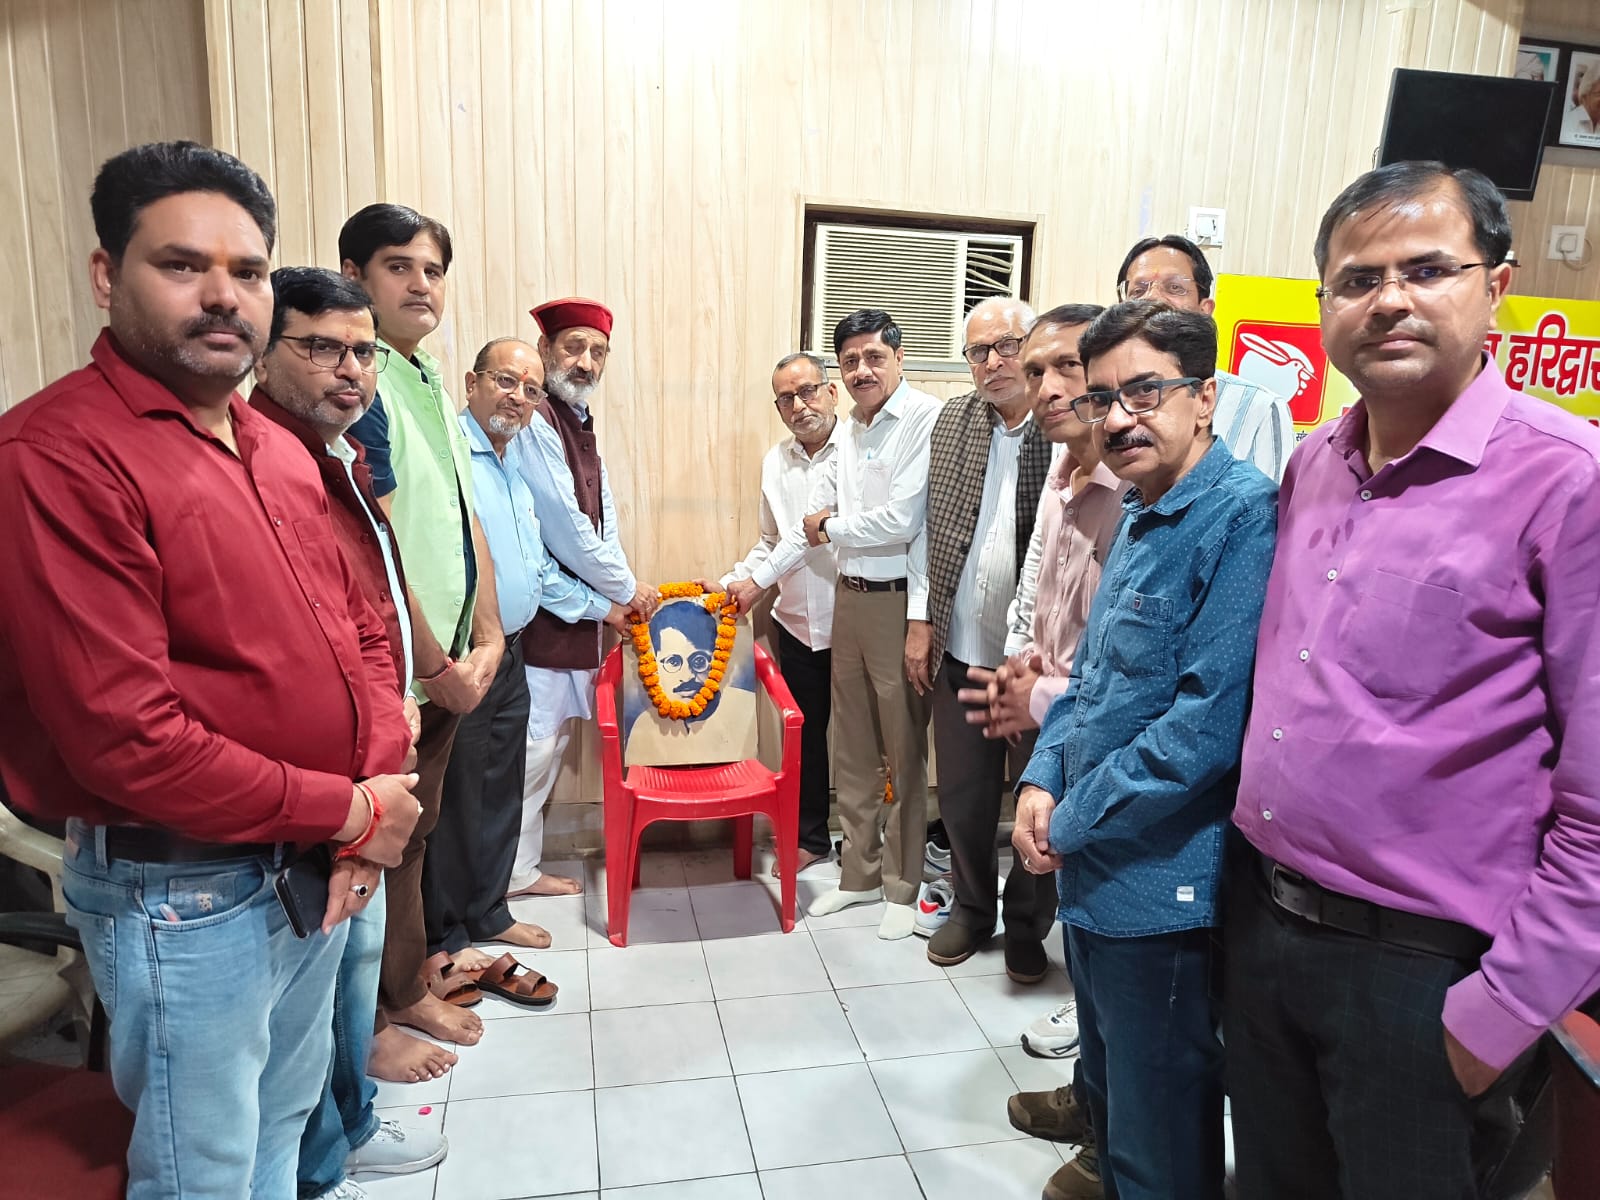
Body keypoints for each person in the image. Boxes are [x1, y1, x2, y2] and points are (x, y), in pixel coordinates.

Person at [0, 141, 419, 1200]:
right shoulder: (59, 456)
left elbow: (362, 632)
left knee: (283, 1120)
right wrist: (349, 810)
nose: (223, 295)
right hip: (184, 890)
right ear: (108, 275)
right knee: (205, 1171)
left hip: (313, 861)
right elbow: (126, 739)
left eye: (248, 270)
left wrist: (370, 799)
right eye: (183, 265)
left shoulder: (274, 446)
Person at [1226, 161, 1600, 1200]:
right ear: (1323, 309)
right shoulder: (1312, 465)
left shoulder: (1568, 482)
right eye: (1357, 280)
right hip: (1260, 925)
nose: (1388, 299)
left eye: (1427, 269)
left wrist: (1502, 1011)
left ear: (1497, 286)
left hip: (1424, 972)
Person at [1013, 300, 1278, 1200]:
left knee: (1159, 1138)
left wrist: (1070, 819)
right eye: (1102, 399)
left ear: (1204, 397)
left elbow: (1203, 731)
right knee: (1115, 1107)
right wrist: (1040, 779)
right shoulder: (1139, 509)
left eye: (1144, 392)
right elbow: (1091, 676)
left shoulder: (1241, 519)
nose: (1117, 419)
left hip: (1163, 892)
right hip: (1094, 871)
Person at [249, 266, 447, 1198]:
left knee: (344, 965)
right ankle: (328, 1152)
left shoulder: (337, 455)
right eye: (321, 347)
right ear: (264, 351)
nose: (350, 369)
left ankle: (346, 1130)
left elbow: (369, 612)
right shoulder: (262, 458)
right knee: (316, 984)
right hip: (315, 779)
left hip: (371, 748)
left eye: (362, 352)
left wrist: (398, 700)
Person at [955, 302, 1116, 1197]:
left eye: (1068, 368)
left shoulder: (1139, 487)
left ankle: (1116, 1141)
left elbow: (1125, 662)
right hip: (1055, 721)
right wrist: (1021, 661)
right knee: (1084, 937)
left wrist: (1042, 696)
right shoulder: (1061, 467)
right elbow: (1037, 585)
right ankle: (1091, 1098)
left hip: (1102, 733)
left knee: (1115, 944)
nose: (1049, 386)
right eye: (1039, 369)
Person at [342, 202, 504, 1063]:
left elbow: (461, 513)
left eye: (433, 270)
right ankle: (371, 1022)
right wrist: (433, 663)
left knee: (413, 835)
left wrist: (490, 632)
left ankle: (403, 987)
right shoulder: (362, 378)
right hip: (396, 668)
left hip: (444, 658)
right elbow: (372, 535)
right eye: (398, 266)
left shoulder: (426, 374)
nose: (420, 284)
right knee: (370, 843)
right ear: (355, 276)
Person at [730, 309, 942, 940]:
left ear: (898, 357)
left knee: (901, 746)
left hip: (895, 600)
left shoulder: (923, 418)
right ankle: (860, 875)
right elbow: (805, 527)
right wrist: (750, 580)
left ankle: (903, 884)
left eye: (873, 357)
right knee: (851, 747)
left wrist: (832, 529)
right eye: (852, 360)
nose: (862, 370)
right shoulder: (850, 430)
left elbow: (902, 521)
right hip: (847, 595)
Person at [426, 337, 628, 963]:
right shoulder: (451, 458)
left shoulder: (511, 463)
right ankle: (446, 939)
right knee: (456, 802)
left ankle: (490, 912)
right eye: (505, 382)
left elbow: (538, 569)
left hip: (511, 651)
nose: (517, 398)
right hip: (468, 656)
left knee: (499, 791)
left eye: (530, 390)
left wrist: (605, 608)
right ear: (472, 383)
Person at [905, 297, 1055, 977]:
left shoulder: (1062, 424)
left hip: (1035, 663)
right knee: (963, 793)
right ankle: (970, 907)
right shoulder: (954, 422)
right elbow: (927, 527)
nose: (993, 362)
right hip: (960, 645)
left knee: (1037, 794)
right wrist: (921, 619)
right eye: (977, 352)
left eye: (1006, 346)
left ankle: (1027, 922)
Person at [507, 297, 657, 900]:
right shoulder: (538, 418)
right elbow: (565, 527)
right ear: (545, 350)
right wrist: (626, 591)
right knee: (533, 753)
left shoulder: (579, 418)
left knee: (550, 748)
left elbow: (603, 516)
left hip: (582, 615)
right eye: (574, 347)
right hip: (544, 620)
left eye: (598, 352)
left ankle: (520, 871)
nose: (586, 362)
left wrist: (622, 587)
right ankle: (508, 876)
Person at [712, 351, 843, 873]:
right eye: (786, 398)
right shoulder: (775, 461)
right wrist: (732, 584)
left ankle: (875, 845)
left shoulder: (856, 451)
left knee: (869, 741)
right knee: (803, 734)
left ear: (831, 392)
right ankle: (811, 837)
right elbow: (772, 541)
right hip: (796, 623)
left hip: (853, 619)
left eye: (808, 391)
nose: (799, 405)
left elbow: (809, 536)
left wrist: (754, 585)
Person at [1115, 234, 1294, 481]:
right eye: (1138, 290)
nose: (1153, 298)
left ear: (1204, 310)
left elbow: (1271, 503)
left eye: (1174, 288)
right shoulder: (1099, 404)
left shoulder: (1259, 408)